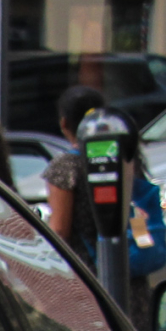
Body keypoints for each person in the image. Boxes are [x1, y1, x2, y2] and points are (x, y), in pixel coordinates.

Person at [44, 85, 106, 271]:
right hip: (130, 275)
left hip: (89, 275)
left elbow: (60, 230)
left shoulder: (67, 165)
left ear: (64, 123)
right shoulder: (125, 156)